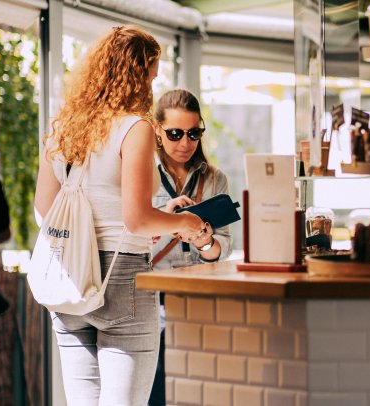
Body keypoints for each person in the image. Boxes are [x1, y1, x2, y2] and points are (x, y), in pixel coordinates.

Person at [33, 26, 206, 405]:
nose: (153, 82)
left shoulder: (61, 129)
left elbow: (43, 210)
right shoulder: (135, 127)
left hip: (69, 277)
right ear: (136, 74)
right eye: (151, 73)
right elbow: (137, 221)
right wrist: (183, 222)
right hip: (120, 277)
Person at [147, 89, 232, 405]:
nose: (185, 143)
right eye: (175, 133)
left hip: (196, 303)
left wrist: (204, 240)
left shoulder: (214, 179)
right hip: (149, 303)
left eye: (194, 133)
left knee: (195, 393)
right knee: (153, 394)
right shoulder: (141, 175)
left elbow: (222, 249)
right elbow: (131, 242)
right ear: (157, 130)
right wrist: (168, 223)